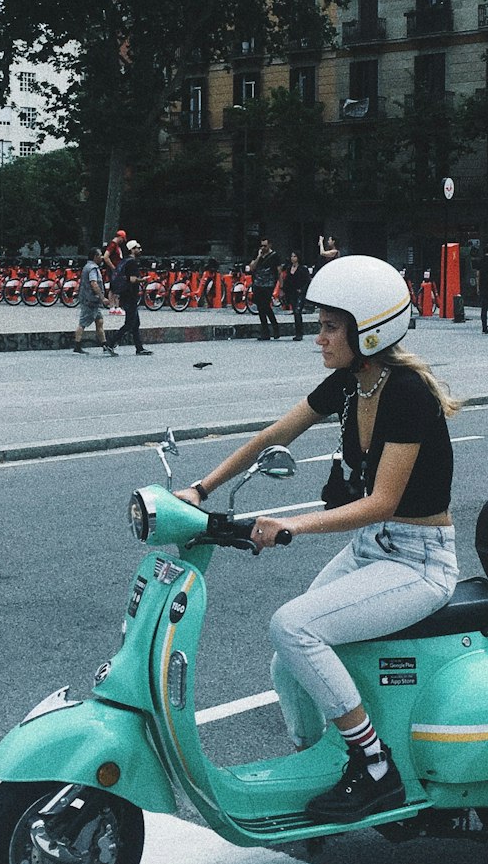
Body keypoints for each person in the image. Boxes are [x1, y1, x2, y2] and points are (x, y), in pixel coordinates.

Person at [176, 256, 459, 825]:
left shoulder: (406, 395)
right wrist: (200, 489)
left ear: (369, 331)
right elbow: (274, 434)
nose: (319, 337)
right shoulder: (352, 385)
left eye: (331, 326)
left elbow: (381, 502)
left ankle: (375, 768)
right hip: (374, 550)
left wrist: (292, 525)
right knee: (287, 662)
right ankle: (317, 766)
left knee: (293, 625)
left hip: (419, 562)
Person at [72, 247, 117, 355]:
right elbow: (94, 283)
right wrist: (102, 298)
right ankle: (77, 346)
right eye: (100, 255)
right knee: (83, 323)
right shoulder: (92, 268)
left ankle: (104, 345)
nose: (102, 257)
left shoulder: (88, 266)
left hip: (92, 301)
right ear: (95, 257)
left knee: (99, 321)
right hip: (90, 300)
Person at [110, 240, 152, 354]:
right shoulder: (132, 263)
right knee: (129, 323)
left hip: (125, 295)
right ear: (132, 249)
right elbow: (132, 280)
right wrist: (142, 280)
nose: (140, 250)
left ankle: (139, 348)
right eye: (137, 248)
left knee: (135, 323)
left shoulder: (124, 261)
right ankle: (110, 343)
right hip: (130, 295)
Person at [248, 237, 281, 341]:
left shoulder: (275, 256)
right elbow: (252, 267)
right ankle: (265, 331)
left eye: (265, 246)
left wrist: (280, 286)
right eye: (261, 245)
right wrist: (258, 256)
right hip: (258, 284)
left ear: (270, 245)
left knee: (265, 305)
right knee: (260, 307)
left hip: (269, 284)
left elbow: (279, 271)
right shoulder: (257, 254)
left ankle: (275, 327)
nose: (263, 248)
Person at [281, 251, 312, 341]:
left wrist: (302, 289)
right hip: (292, 292)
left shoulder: (303, 268)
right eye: (292, 256)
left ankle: (300, 333)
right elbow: (287, 280)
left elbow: (307, 281)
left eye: (294, 256)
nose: (292, 258)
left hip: (300, 292)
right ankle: (297, 332)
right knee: (295, 311)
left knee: (298, 311)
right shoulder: (289, 268)